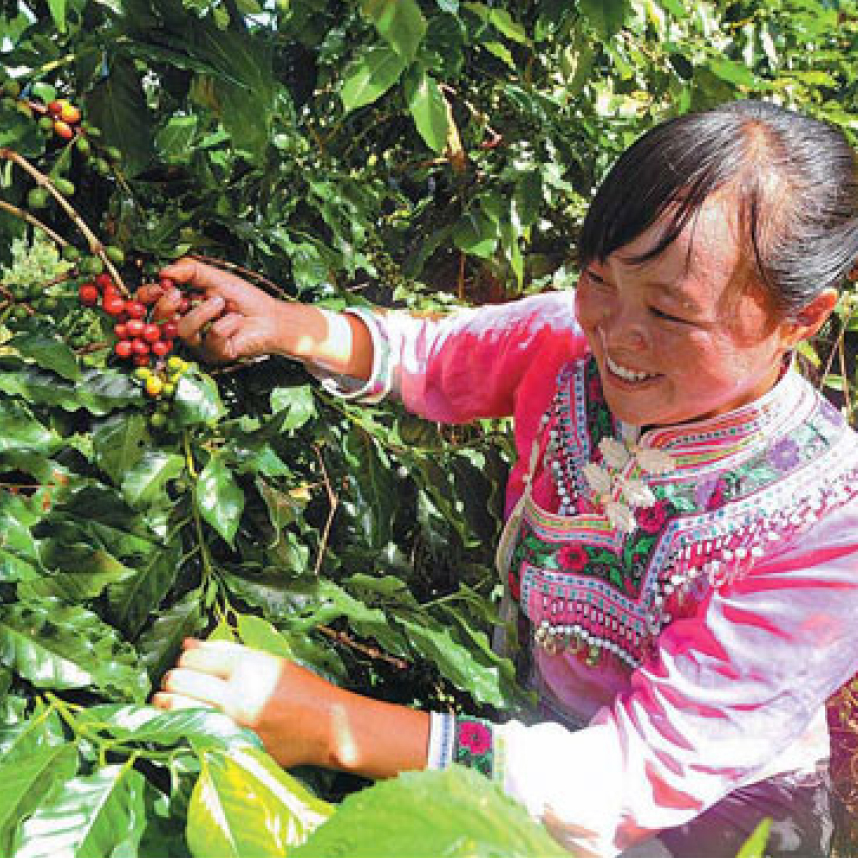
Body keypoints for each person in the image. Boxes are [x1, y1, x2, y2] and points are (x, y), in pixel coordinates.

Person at [151, 99, 858, 858]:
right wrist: (285, 325)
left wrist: (331, 726)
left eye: (671, 313)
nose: (617, 334)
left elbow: (622, 776)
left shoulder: (827, 523)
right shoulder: (567, 346)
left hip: (721, 818)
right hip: (540, 738)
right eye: (598, 278)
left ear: (800, 319)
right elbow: (433, 355)